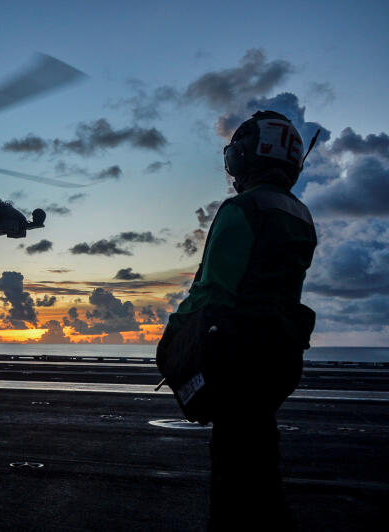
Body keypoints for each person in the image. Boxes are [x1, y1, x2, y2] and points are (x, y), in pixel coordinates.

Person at [163, 110, 318, 530]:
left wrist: (174, 338)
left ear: (252, 156)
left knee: (233, 483)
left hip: (237, 361)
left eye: (235, 157)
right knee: (262, 467)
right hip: (279, 358)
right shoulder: (301, 215)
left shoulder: (242, 209)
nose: (232, 170)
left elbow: (211, 291)